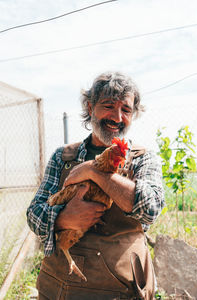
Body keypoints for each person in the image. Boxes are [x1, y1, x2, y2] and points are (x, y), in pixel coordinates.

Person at [27, 71, 165, 300]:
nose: (117, 117)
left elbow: (150, 211)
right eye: (109, 106)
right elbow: (33, 213)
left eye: (126, 110)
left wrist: (95, 171)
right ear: (90, 108)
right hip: (61, 286)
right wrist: (62, 219)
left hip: (121, 289)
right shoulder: (62, 157)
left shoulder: (143, 159)